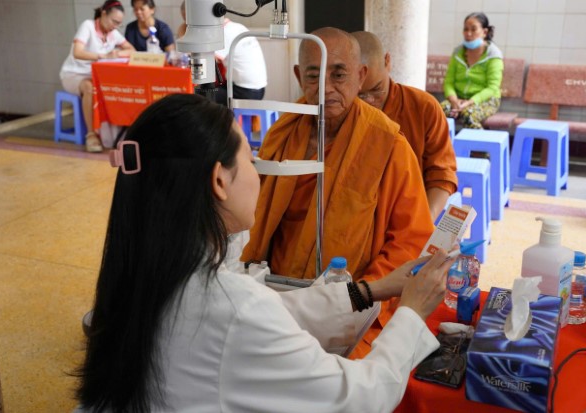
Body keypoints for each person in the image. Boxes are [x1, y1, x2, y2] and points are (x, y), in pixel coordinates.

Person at [73, 93, 453, 412]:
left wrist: (370, 290)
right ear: (219, 181)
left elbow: (274, 313)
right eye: (249, 158)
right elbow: (359, 397)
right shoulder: (233, 306)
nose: (257, 171)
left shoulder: (139, 275)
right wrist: (412, 312)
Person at [241, 27, 435, 359]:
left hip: (358, 301)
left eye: (339, 74)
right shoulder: (282, 134)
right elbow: (254, 216)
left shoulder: (387, 144)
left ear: (360, 76)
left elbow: (409, 240)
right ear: (299, 76)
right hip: (279, 294)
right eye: (314, 75)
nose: (326, 88)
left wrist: (363, 296)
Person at [352, 31, 458, 222]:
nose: (369, 102)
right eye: (359, 95)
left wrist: (422, 223)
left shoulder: (423, 107)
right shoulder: (338, 113)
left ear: (387, 61)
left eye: (376, 90)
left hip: (410, 215)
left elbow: (442, 175)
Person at [59, 0, 134, 152]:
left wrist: (117, 53)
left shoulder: (113, 33)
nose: (116, 26)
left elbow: (132, 50)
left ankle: (115, 135)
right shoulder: (88, 26)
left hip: (95, 75)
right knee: (89, 87)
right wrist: (103, 56)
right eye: (114, 21)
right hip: (74, 74)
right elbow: (77, 52)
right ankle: (91, 135)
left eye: (119, 24)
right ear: (103, 14)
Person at [440, 12, 503, 129]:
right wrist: (454, 100)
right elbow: (448, 81)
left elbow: (492, 87)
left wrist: (469, 102)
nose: (468, 33)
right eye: (466, 29)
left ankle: (481, 141)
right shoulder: (458, 53)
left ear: (484, 32)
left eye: (473, 29)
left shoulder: (493, 55)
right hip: (458, 98)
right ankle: (445, 141)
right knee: (439, 111)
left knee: (468, 115)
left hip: (485, 100)